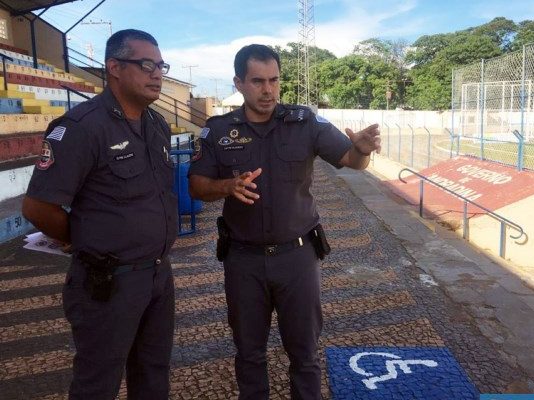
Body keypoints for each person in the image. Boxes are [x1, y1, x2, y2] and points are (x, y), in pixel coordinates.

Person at [188, 44, 381, 400]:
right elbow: (196, 186)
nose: (268, 90)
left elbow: (352, 161)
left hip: (298, 258)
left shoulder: (304, 122)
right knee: (249, 353)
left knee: (305, 354)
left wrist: (363, 151)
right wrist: (226, 186)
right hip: (243, 259)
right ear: (239, 83)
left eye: (274, 80)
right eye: (258, 81)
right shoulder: (217, 130)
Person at [21, 29, 177, 400]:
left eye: (160, 66)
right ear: (114, 68)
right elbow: (37, 206)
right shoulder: (81, 127)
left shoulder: (157, 126)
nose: (157, 74)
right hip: (108, 283)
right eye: (146, 65)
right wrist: (84, 238)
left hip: (157, 275)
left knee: (154, 376)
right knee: (97, 384)